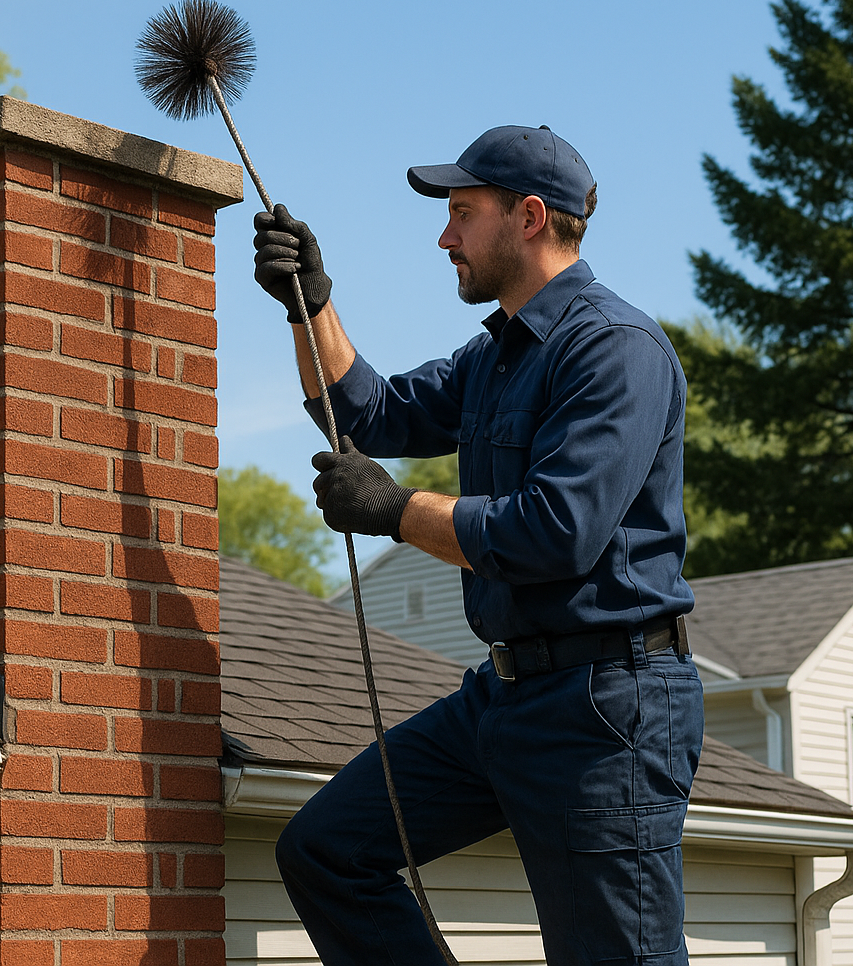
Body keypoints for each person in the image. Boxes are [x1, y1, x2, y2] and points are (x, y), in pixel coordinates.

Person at [253, 125, 704, 966]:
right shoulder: (494, 356)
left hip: (607, 705)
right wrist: (309, 304)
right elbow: (370, 415)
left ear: (528, 218)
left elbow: (555, 532)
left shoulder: (614, 348)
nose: (444, 237)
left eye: (463, 213)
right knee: (328, 852)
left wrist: (396, 510)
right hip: (504, 695)